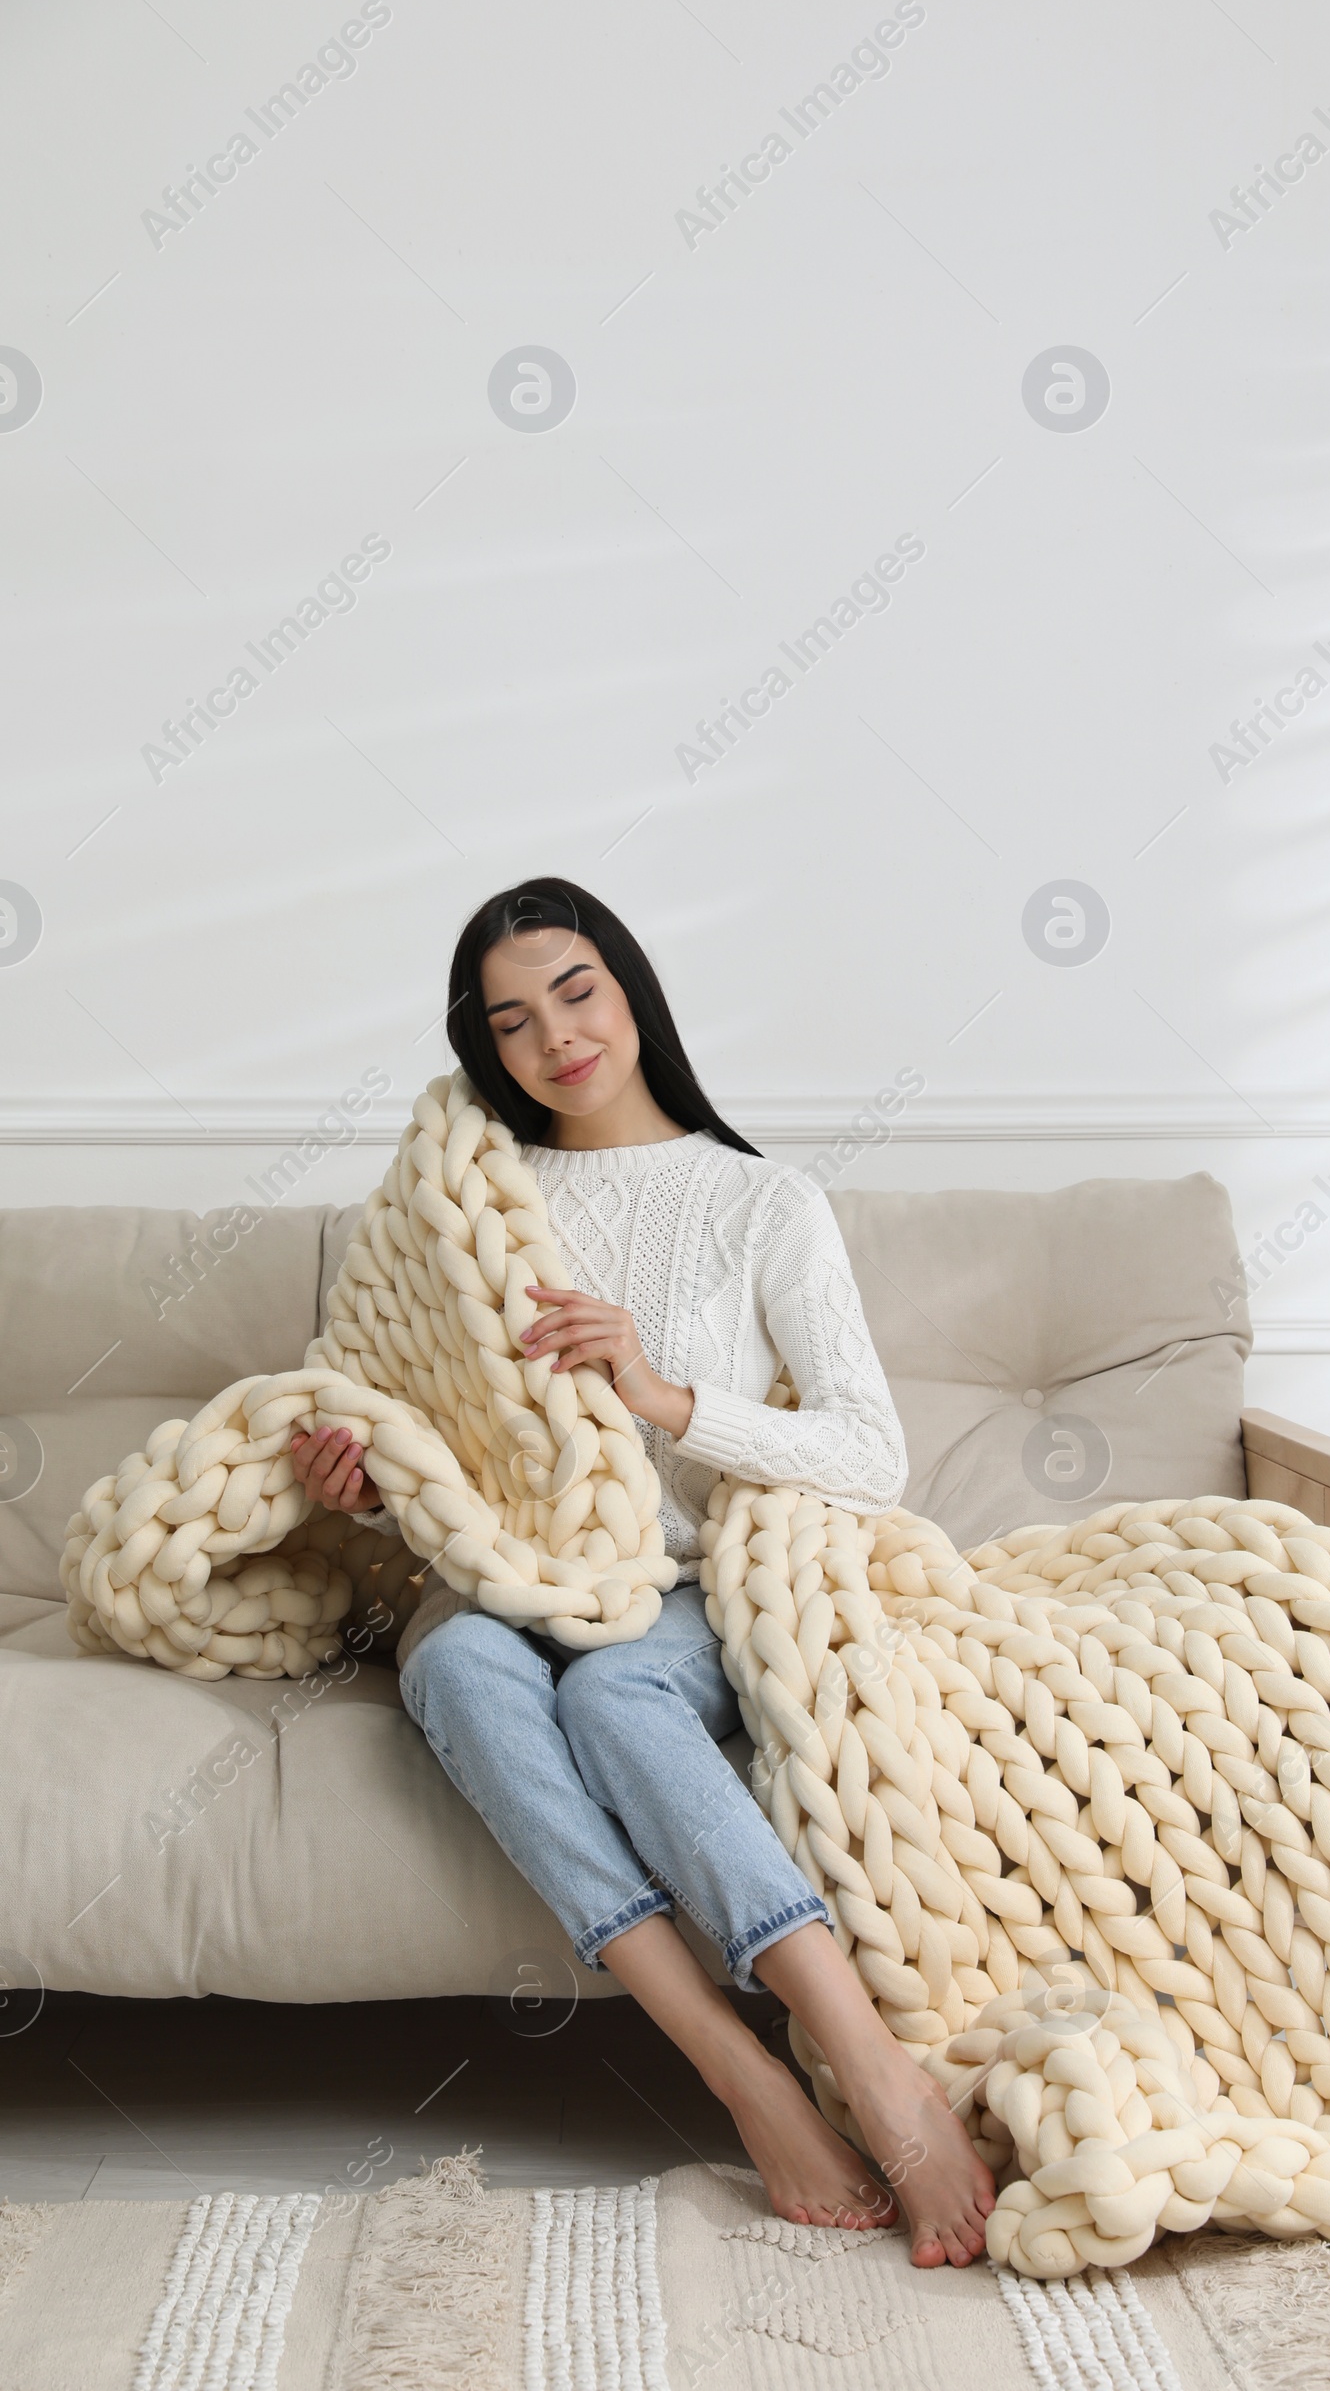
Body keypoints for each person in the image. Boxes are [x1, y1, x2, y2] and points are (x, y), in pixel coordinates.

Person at [288, 875, 995, 2267]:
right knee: (470, 1669)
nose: (554, 1036)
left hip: (672, 1591)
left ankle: (875, 2066)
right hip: (495, 1585)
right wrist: (359, 1481)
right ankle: (746, 2080)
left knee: (618, 1699)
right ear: (480, 1048)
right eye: (509, 1019)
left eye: (577, 990)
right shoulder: (450, 1207)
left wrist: (666, 1397)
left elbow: (869, 1449)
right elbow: (400, 1418)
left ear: (630, 991)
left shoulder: (761, 1205)